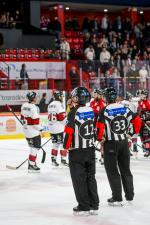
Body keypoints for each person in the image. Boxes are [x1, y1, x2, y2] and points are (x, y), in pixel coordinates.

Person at [96, 87, 142, 206]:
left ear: (106, 97)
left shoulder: (104, 110)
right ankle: (130, 196)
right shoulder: (124, 108)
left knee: (112, 171)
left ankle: (117, 198)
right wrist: (131, 134)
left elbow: (99, 129)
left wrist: (100, 139)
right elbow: (138, 121)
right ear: (115, 97)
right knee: (126, 170)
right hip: (124, 143)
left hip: (110, 144)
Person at [63, 87, 99, 216]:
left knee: (79, 179)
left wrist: (65, 146)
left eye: (74, 96)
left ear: (77, 98)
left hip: (77, 151)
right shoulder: (91, 110)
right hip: (90, 149)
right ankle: (94, 205)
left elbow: (68, 131)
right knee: (91, 178)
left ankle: (83, 206)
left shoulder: (73, 112)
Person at [21, 91, 43, 172]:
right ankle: (31, 165)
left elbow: (22, 119)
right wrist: (41, 130)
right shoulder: (34, 107)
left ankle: (32, 163)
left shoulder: (24, 105)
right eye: (35, 97)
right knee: (35, 148)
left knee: (32, 147)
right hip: (33, 131)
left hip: (26, 130)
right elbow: (35, 123)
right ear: (33, 98)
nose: (36, 98)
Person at [47, 90, 67, 167]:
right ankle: (63, 160)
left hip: (51, 128)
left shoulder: (50, 104)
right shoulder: (60, 104)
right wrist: (67, 125)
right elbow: (62, 117)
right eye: (61, 96)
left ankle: (53, 160)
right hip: (59, 128)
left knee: (55, 144)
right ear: (58, 96)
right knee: (63, 144)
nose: (62, 97)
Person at [137, 90, 150, 157]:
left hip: (146, 123)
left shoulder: (147, 102)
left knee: (146, 136)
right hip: (141, 123)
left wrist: (148, 119)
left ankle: (148, 149)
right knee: (142, 136)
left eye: (142, 95)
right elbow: (138, 112)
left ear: (145, 95)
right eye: (140, 95)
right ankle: (145, 148)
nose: (141, 96)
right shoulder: (140, 102)